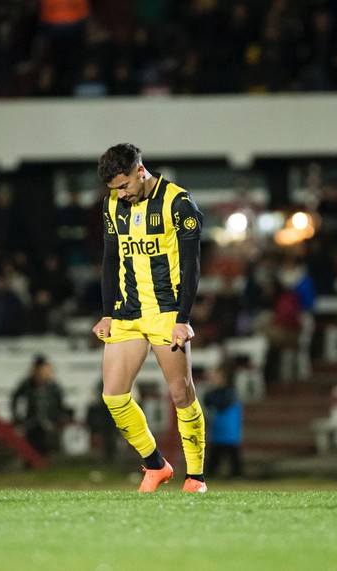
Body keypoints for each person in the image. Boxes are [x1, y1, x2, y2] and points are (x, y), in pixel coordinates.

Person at [92, 143, 207, 493]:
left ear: (140, 171)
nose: (121, 194)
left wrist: (183, 318)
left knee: (181, 393)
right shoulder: (113, 205)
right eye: (114, 189)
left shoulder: (178, 203)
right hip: (127, 312)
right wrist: (107, 313)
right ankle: (156, 465)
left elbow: (192, 265)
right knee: (113, 397)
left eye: (124, 185)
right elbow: (111, 259)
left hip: (166, 311)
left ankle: (196, 478)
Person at [10, 355, 68, 457]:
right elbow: (15, 399)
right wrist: (17, 418)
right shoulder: (27, 385)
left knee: (47, 449)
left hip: (48, 423)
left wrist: (57, 419)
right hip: (31, 423)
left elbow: (60, 404)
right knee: (30, 448)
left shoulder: (53, 387)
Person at [204, 362, 244, 479]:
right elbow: (207, 401)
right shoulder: (213, 393)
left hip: (229, 431)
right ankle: (210, 475)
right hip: (218, 431)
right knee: (214, 456)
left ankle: (237, 475)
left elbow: (221, 404)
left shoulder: (230, 392)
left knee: (232, 455)